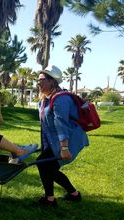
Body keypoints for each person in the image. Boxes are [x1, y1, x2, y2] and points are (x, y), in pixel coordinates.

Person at [35, 65, 89, 207]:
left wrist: (64, 147)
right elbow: (45, 127)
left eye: (42, 80)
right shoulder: (44, 100)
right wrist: (45, 146)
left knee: (44, 165)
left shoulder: (61, 99)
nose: (38, 83)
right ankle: (73, 194)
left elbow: (61, 124)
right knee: (47, 166)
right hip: (54, 141)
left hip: (69, 139)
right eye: (38, 80)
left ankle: (50, 199)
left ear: (52, 81)